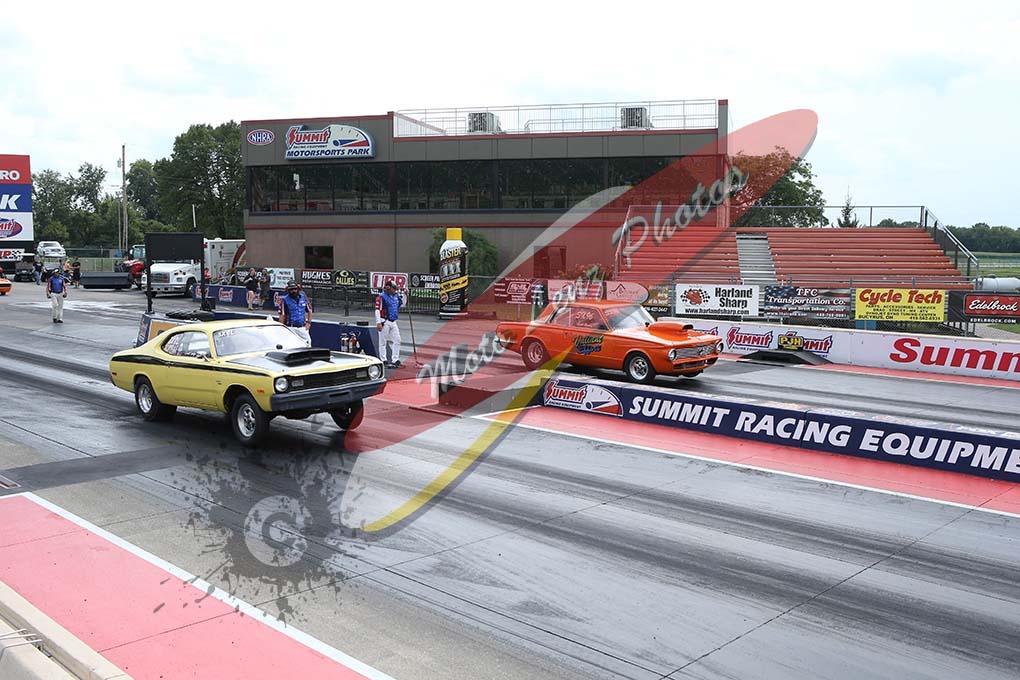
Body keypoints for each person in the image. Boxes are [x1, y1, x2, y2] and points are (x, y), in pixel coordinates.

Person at [375, 280, 406, 368]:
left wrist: (405, 295)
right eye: (394, 288)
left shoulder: (395, 296)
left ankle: (395, 360)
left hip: (393, 321)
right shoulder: (381, 297)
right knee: (382, 342)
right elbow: (377, 310)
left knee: (397, 340)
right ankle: (383, 360)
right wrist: (378, 322)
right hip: (384, 321)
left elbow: (403, 304)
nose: (395, 290)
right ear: (388, 288)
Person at [278, 280, 312, 345]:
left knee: (307, 344)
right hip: (291, 328)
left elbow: (309, 310)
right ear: (288, 290)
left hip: (302, 327)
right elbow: (282, 315)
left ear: (298, 289)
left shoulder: (303, 298)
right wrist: (281, 329)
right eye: (291, 289)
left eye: (295, 289)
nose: (294, 291)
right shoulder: (284, 300)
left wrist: (309, 323)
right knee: (291, 345)